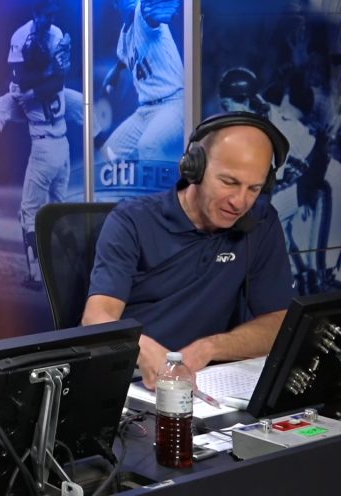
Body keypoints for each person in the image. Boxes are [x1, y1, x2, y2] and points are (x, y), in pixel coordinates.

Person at [83, 113, 296, 388]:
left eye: (254, 188)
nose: (240, 201)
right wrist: (143, 349)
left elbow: (278, 322)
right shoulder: (131, 221)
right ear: (194, 168)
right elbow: (96, 317)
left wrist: (210, 348)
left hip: (208, 383)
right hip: (131, 382)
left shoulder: (261, 222)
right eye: (229, 182)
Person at [0, 0, 84, 290]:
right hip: (62, 145)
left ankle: (34, 274)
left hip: (43, 144)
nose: (51, 20)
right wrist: (48, 69)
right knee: (60, 209)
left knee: (30, 212)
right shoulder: (54, 83)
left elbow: (25, 84)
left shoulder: (24, 91)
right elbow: (49, 81)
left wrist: (40, 73)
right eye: (46, 14)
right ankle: (77, 264)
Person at [100, 0, 184, 165]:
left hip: (174, 103)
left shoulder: (143, 12)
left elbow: (149, 14)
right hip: (145, 111)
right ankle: (127, 194)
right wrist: (115, 71)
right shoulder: (123, 39)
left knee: (148, 146)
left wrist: (157, 11)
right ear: (115, 2)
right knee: (109, 153)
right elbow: (125, 57)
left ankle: (165, 195)